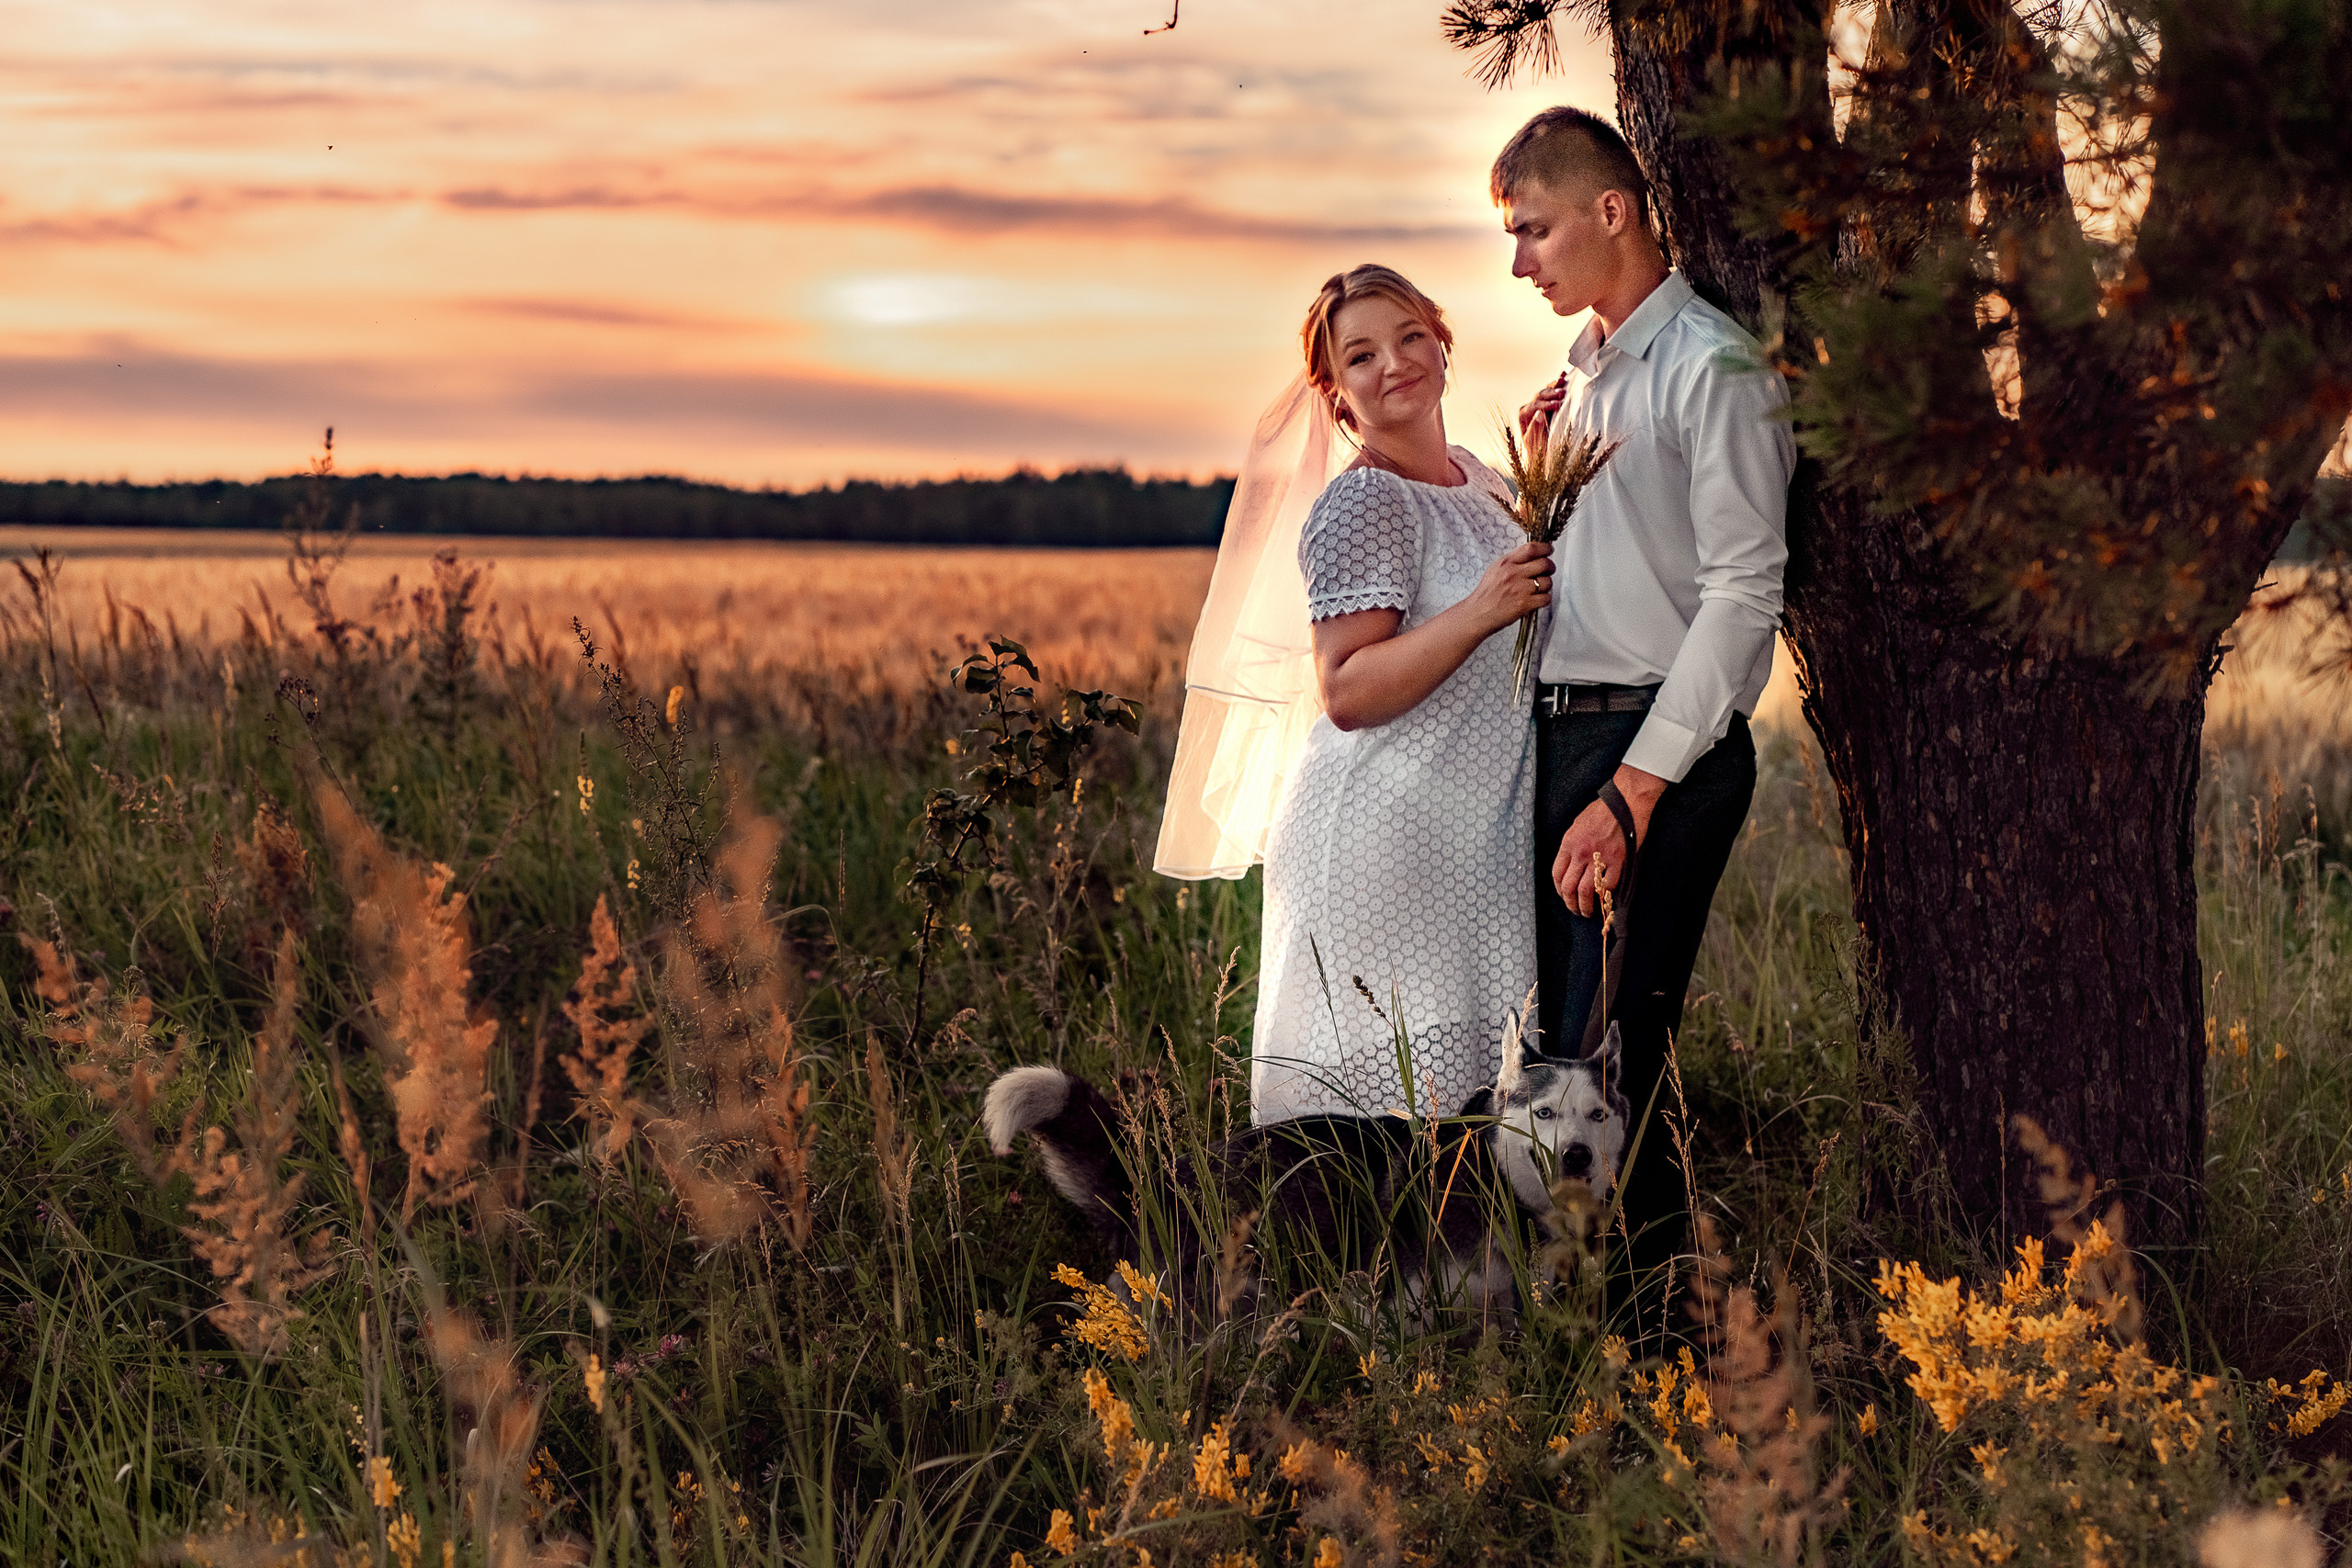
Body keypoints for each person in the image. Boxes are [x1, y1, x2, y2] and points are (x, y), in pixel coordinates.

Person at [1496, 107, 1796, 1312]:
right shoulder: (1582, 374)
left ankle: (1622, 1344)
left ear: (1612, 211)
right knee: (1595, 1061)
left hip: (1647, 752)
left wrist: (1629, 791)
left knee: (1594, 1061)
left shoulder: (1715, 369)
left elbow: (1742, 597)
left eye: (1534, 230)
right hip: (1565, 737)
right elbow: (1603, 572)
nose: (1520, 260)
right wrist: (1537, 488)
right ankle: (1659, 1326)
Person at [1154, 264, 1554, 1122]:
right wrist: (1482, 610)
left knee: (1469, 1113)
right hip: (1382, 833)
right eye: (1362, 355)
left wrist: (1540, 465)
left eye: (1412, 337)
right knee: (1386, 1121)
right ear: (1337, 397)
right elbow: (1345, 687)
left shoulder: (1482, 480)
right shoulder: (1362, 502)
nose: (1396, 363)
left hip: (1470, 836)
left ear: (1444, 347)